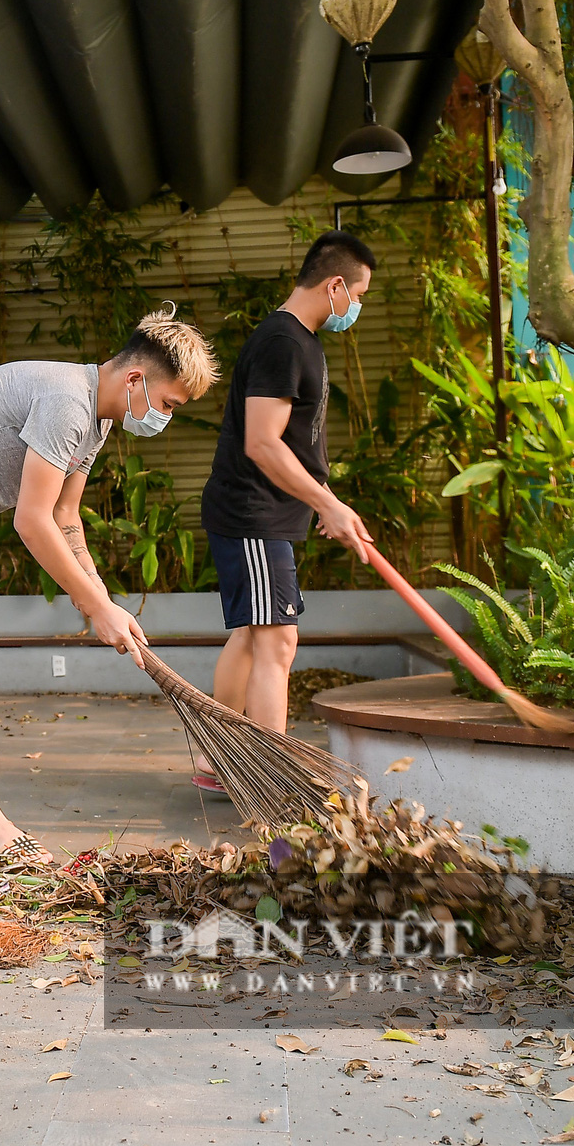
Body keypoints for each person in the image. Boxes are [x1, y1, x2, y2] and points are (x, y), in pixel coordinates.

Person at [0, 305, 217, 864]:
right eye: (168, 404)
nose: (165, 418)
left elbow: (65, 518)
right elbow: (30, 521)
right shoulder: (67, 402)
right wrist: (94, 606)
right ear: (136, 379)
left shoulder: (98, 420)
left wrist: (103, 601)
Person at [196, 230, 378, 785]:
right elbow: (263, 442)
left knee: (254, 635)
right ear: (336, 284)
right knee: (278, 640)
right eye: (360, 293)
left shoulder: (300, 341)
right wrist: (330, 502)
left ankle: (215, 758)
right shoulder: (284, 341)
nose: (359, 307)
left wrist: (320, 502)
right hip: (252, 512)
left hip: (265, 513)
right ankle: (269, 775)